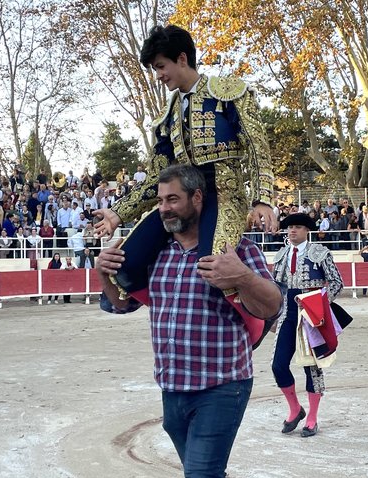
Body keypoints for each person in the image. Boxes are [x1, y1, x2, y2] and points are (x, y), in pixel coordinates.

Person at [96, 164, 281, 478]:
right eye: (160, 201)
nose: (164, 209)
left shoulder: (233, 247)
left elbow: (271, 305)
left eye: (172, 200)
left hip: (223, 384)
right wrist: (103, 275)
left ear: (198, 199)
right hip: (173, 387)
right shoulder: (156, 252)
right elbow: (120, 304)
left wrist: (240, 275)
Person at [92, 24, 277, 347]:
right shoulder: (168, 115)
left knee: (212, 264)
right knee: (126, 262)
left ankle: (259, 322)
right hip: (182, 198)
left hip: (224, 194)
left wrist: (262, 199)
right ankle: (174, 314)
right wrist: (118, 214)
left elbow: (259, 148)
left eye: (161, 67)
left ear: (182, 59)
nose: (159, 76)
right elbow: (156, 178)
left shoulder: (229, 93)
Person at [270, 213, 344, 438]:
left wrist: (319, 306)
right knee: (278, 365)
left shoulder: (320, 253)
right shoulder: (282, 254)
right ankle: (295, 409)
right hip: (288, 315)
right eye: (290, 227)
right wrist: (273, 315)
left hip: (311, 316)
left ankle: (312, 418)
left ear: (307, 230)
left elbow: (336, 283)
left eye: (298, 227)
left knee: (312, 367)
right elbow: (277, 287)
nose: (292, 231)